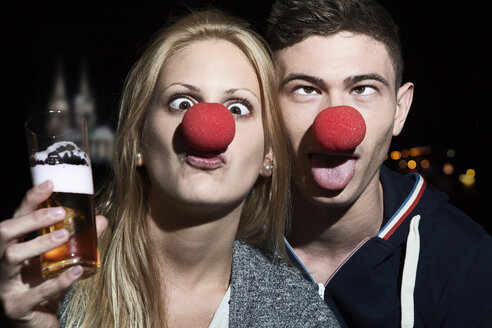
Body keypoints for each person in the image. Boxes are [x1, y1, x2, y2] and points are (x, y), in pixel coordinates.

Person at [0, 9, 341, 328]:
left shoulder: (299, 315)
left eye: (237, 107)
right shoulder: (55, 283)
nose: (207, 125)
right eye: (182, 103)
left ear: (269, 155)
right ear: (137, 142)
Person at [265, 0, 492, 327]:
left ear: (399, 109)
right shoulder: (215, 241)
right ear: (268, 108)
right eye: (305, 89)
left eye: (363, 89)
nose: (336, 129)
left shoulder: (467, 259)